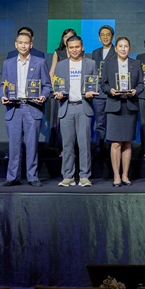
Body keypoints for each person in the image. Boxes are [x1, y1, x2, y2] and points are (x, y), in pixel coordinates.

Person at [0, 31, 51, 187]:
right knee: (14, 145)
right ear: (16, 44)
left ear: (31, 45)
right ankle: (12, 177)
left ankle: (32, 176)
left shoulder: (40, 62)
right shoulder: (8, 63)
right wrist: (3, 96)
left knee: (32, 145)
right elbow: (2, 85)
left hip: (32, 107)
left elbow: (47, 85)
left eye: (26, 43)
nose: (23, 46)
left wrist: (43, 96)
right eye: (20, 43)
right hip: (14, 108)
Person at [53, 34, 98, 187]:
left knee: (84, 144)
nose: (74, 50)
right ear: (67, 49)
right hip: (66, 107)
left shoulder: (91, 64)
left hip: (83, 106)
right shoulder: (61, 65)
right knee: (67, 145)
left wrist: (92, 93)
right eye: (71, 47)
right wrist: (58, 94)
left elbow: (96, 84)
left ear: (82, 47)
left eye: (77, 47)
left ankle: (84, 176)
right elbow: (57, 85)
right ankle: (68, 176)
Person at [102, 36, 144, 187]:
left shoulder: (136, 64)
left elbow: (141, 84)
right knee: (115, 143)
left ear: (130, 49)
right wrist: (111, 91)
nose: (123, 49)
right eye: (120, 46)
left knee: (127, 143)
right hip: (114, 107)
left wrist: (135, 91)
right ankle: (116, 176)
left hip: (130, 106)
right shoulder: (108, 64)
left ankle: (125, 175)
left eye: (126, 46)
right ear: (116, 48)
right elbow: (103, 84)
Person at [47, 28, 78, 149]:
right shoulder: (58, 52)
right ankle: (59, 146)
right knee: (60, 119)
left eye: (70, 36)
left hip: (74, 92)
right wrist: (55, 89)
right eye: (65, 37)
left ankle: (72, 147)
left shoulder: (79, 52)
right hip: (60, 91)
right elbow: (52, 72)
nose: (68, 39)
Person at [90, 25, 116, 155]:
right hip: (98, 92)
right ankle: (99, 147)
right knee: (99, 122)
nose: (105, 37)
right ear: (99, 37)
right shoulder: (95, 53)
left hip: (112, 92)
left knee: (112, 122)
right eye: (102, 35)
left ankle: (111, 148)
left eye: (108, 34)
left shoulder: (117, 51)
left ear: (112, 37)